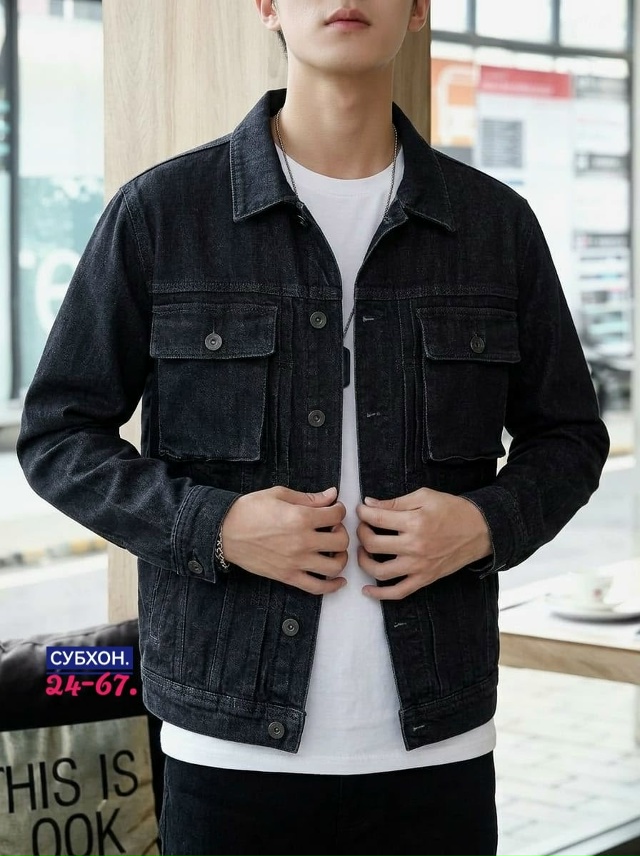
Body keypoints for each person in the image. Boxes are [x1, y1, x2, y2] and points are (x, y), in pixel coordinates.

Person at [17, 1, 610, 854]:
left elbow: (571, 438)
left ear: (418, 9)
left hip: (436, 748)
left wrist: (485, 524)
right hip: (227, 750)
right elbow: (58, 435)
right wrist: (214, 526)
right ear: (266, 5)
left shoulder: (493, 225)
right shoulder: (164, 213)